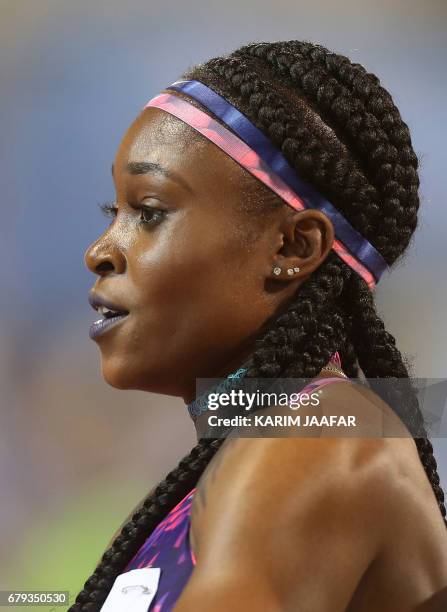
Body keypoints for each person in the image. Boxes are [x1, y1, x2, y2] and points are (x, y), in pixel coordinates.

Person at [71, 40, 447, 611]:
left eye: (149, 211)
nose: (100, 251)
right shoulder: (244, 453)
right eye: (113, 214)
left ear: (294, 245)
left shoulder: (323, 435)